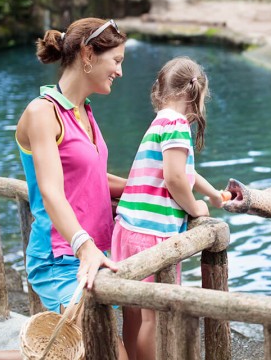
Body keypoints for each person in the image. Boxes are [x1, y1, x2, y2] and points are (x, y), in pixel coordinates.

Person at [0, 18, 130, 360]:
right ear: (88, 54)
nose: (119, 71)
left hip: (98, 253)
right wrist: (84, 246)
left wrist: (145, 189)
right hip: (61, 258)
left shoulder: (84, 111)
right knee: (105, 355)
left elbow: (94, 179)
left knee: (67, 353)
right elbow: (52, 191)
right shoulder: (43, 113)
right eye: (115, 61)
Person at [111, 56, 224, 360]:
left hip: (127, 229)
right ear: (196, 95)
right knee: (154, 316)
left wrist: (213, 195)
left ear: (160, 90)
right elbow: (175, 179)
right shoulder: (176, 125)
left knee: (132, 312)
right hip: (152, 235)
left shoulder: (160, 122)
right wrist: (196, 208)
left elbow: (185, 170)